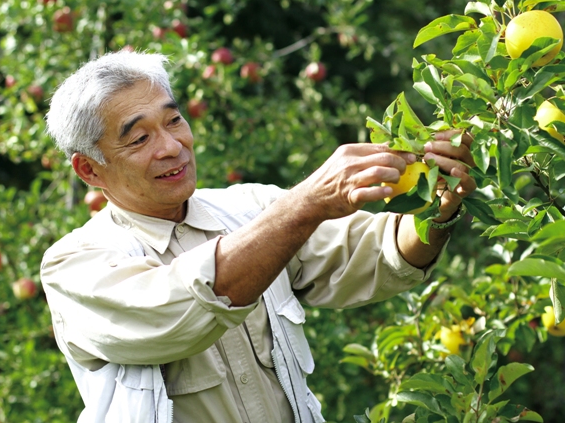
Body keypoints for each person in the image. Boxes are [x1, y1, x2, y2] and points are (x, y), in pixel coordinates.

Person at [41, 51, 476, 423]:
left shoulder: (250, 208)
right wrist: (305, 203)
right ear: (89, 169)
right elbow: (185, 309)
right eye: (139, 138)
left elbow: (376, 254)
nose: (171, 146)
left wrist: (439, 205)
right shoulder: (75, 266)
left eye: (173, 121)